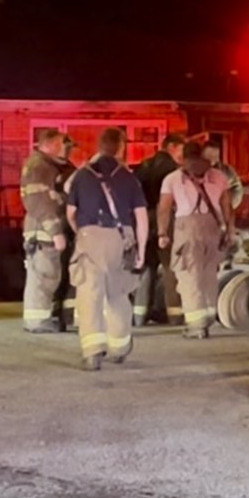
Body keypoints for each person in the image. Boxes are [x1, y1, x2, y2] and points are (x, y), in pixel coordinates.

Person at [63, 127, 148, 370]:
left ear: (98, 146)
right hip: (121, 239)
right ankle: (119, 347)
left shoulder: (81, 175)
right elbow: (141, 217)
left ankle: (91, 353)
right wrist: (141, 250)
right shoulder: (128, 177)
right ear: (121, 147)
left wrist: (81, 233)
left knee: (89, 295)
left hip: (89, 237)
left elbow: (71, 213)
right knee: (118, 294)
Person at [158, 140, 233, 339]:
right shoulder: (218, 176)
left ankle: (196, 325)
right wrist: (230, 231)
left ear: (183, 157)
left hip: (187, 228)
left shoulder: (173, 178)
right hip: (213, 228)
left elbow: (164, 208)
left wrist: (162, 233)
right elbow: (227, 206)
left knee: (189, 276)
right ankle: (209, 317)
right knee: (209, 273)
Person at [18, 128, 75, 334]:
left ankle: (57, 317)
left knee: (56, 275)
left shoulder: (53, 167)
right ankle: (37, 321)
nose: (67, 150)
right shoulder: (38, 166)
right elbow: (38, 201)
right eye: (62, 145)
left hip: (56, 230)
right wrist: (55, 231)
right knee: (44, 275)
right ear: (49, 145)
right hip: (44, 231)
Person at [132, 132, 186, 327]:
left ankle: (139, 315)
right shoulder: (173, 171)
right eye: (180, 149)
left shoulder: (143, 166)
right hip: (165, 221)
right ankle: (175, 315)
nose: (181, 155)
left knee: (147, 267)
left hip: (143, 221)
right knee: (170, 267)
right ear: (171, 146)